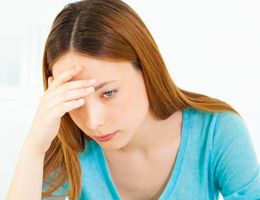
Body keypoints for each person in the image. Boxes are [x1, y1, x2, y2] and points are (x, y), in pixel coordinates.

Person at [6, 0, 260, 199]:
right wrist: (34, 147)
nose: (94, 122)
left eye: (108, 93)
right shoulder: (69, 146)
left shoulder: (216, 132)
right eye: (76, 100)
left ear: (147, 70)